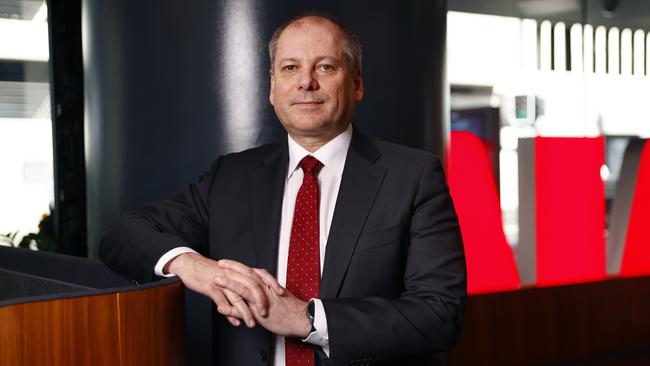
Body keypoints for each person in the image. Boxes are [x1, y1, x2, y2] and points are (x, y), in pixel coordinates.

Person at [100, 13, 466, 366]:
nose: (306, 82)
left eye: (325, 67)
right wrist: (196, 267)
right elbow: (121, 234)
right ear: (273, 87)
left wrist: (309, 319)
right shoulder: (232, 176)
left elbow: (439, 314)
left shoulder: (412, 176)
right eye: (290, 68)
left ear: (356, 84)